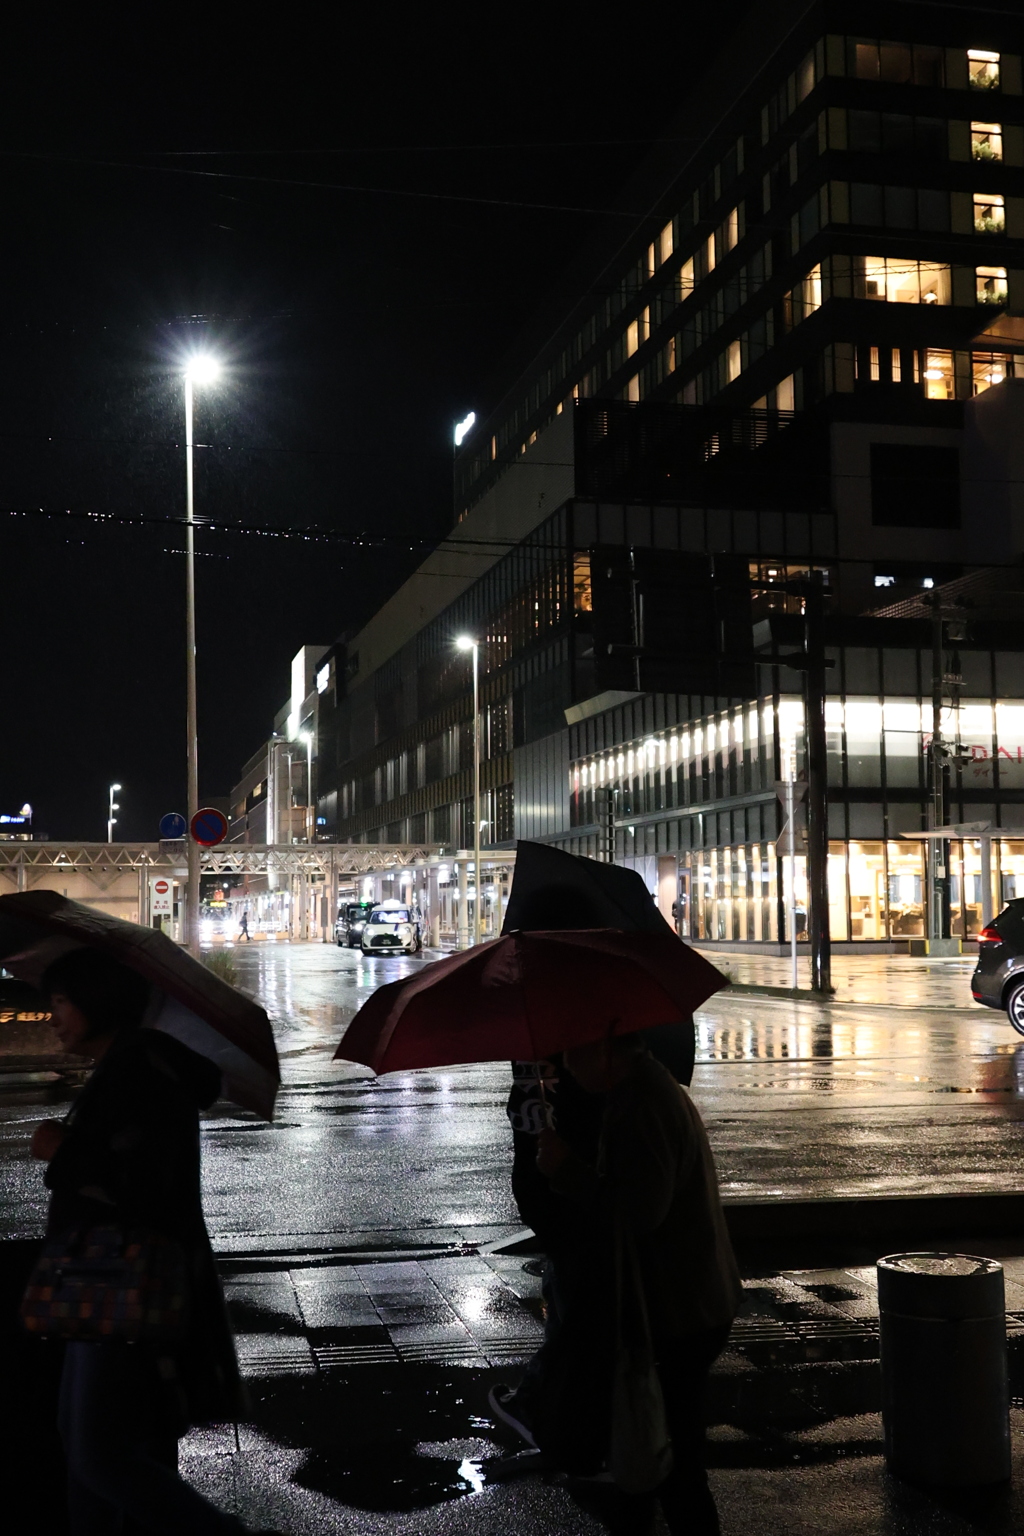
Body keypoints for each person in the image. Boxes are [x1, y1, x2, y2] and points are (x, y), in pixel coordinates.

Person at [30, 948, 282, 1536]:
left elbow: (143, 1182)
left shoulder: (140, 1069)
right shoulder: (132, 1063)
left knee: (101, 1453)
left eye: (61, 1002)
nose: (52, 1016)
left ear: (97, 1001)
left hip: (120, 1283)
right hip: (109, 1281)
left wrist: (62, 1151)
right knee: (89, 1445)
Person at [535, 1032, 741, 1535]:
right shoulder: (640, 1091)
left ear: (605, 1046)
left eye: (574, 1049)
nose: (566, 1061)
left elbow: (638, 1212)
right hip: (686, 1303)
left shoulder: (643, 1106)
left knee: (671, 1465)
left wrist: (566, 1171)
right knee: (647, 1460)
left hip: (678, 1312)